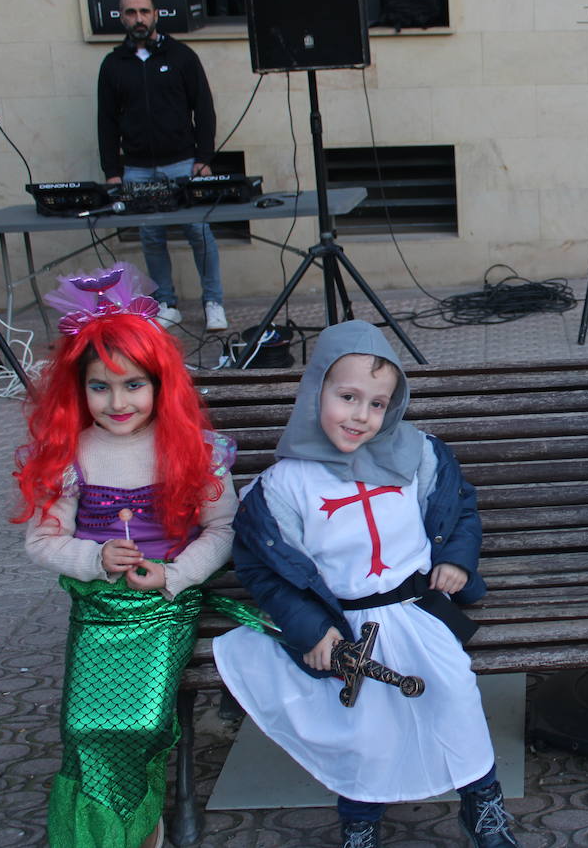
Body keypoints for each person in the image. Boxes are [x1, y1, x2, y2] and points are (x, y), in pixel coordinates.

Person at [211, 321, 517, 848]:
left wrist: (455, 561)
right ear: (315, 391)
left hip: (419, 610)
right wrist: (310, 631)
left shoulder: (418, 456)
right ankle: (359, 823)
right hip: (345, 624)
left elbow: (459, 509)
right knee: (366, 725)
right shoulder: (284, 485)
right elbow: (264, 570)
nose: (360, 416)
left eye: (378, 404)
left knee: (455, 696)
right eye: (347, 396)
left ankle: (482, 804)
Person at [13, 262, 238, 848]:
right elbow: (40, 541)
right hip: (96, 612)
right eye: (100, 385)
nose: (117, 401)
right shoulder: (71, 454)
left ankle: (143, 827)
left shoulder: (192, 450)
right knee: (85, 729)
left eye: (134, 384)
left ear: (161, 385)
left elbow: (222, 530)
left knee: (138, 724)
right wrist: (91, 559)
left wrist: (175, 573)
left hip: (165, 607)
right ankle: (94, 836)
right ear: (77, 387)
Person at [97, 0, 227, 332]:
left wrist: (204, 157)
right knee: (151, 237)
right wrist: (112, 171)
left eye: (143, 11)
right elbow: (106, 120)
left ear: (156, 14)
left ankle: (213, 301)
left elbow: (204, 109)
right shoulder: (113, 64)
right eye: (130, 13)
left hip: (183, 163)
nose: (137, 18)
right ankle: (166, 303)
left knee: (199, 232)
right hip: (137, 168)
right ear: (121, 18)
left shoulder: (182, 55)